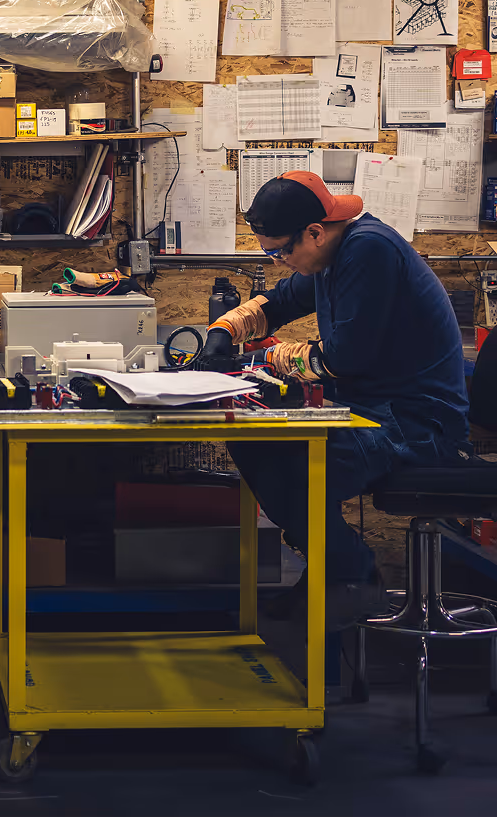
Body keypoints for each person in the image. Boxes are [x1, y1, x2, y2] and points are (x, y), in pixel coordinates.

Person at [198, 171, 470, 629]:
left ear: (315, 231)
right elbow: (279, 301)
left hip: (419, 421)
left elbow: (342, 359)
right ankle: (335, 567)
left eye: (280, 250)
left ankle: (349, 574)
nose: (279, 260)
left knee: (295, 465)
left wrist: (266, 357)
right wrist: (224, 332)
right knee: (251, 442)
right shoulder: (327, 257)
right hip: (374, 411)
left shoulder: (369, 249)